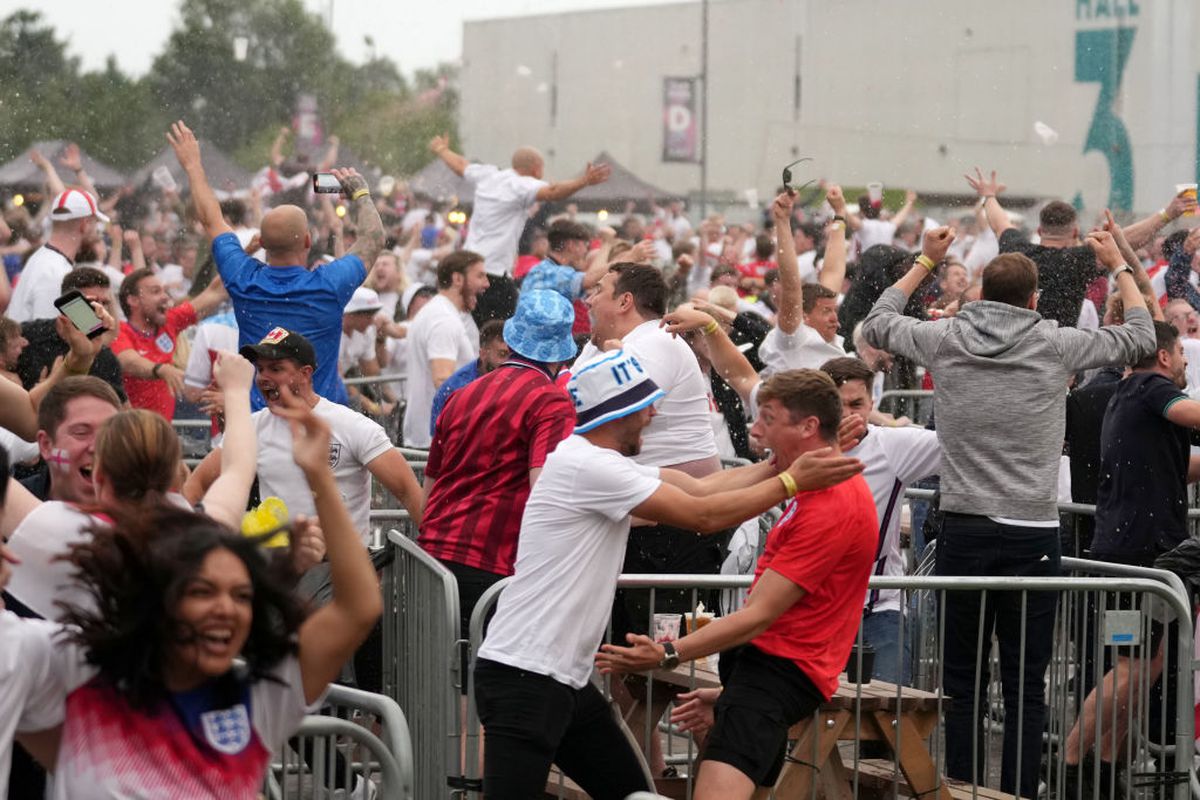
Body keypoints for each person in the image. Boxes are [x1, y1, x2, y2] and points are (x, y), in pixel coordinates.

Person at [474, 355, 865, 799]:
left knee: (638, 795)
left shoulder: (592, 461)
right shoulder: (590, 467)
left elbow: (699, 488)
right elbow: (703, 514)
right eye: (646, 404)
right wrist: (793, 481)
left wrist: (789, 465)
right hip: (525, 674)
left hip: (562, 680)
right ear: (617, 411)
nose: (654, 413)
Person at [861, 226, 1155, 798]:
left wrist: (926, 258)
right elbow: (1142, 335)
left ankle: (968, 790)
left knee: (963, 682)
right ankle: (1016, 794)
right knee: (1025, 685)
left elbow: (876, 322)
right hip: (1032, 533)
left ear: (978, 295)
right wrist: (1118, 262)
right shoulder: (1055, 341)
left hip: (965, 529)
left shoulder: (948, 337)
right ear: (1034, 299)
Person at [5, 388, 379, 798]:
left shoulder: (254, 703)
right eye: (203, 592)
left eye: (241, 596)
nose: (226, 609)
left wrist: (320, 479)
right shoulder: (76, 672)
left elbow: (358, 609)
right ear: (160, 592)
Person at [595, 368, 877, 800]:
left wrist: (669, 652)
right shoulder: (813, 487)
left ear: (808, 427)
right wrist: (730, 694)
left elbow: (758, 615)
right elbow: (702, 496)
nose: (755, 429)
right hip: (762, 678)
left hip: (774, 677)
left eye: (767, 418)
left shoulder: (830, 502)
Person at [419, 290, 576, 694]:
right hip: (492, 567)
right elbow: (546, 491)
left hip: (432, 558)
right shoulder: (551, 401)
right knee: (490, 696)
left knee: (434, 694)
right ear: (560, 353)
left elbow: (431, 482)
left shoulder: (463, 393)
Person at [168, 120, 385, 409]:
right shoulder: (330, 284)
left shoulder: (242, 278)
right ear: (308, 241)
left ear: (263, 244)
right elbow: (373, 238)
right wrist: (361, 194)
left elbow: (211, 221)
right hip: (320, 426)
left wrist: (193, 166)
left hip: (261, 422)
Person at [184, 328, 423, 542]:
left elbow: (408, 491)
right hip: (279, 570)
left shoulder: (352, 426)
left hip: (340, 572)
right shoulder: (251, 427)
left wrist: (441, 557)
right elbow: (196, 484)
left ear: (305, 374)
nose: (264, 377)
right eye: (260, 369)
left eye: (276, 369)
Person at [819, 356, 939, 684]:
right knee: (798, 724)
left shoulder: (890, 445)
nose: (845, 414)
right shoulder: (801, 447)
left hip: (877, 607)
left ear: (872, 403)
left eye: (856, 404)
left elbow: (967, 449)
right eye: (835, 404)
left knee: (890, 717)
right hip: (812, 610)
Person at [965, 168, 1194, 328]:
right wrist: (1167, 214)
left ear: (1041, 230)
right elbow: (1121, 243)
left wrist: (988, 196)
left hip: (1008, 349)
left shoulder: (1018, 252)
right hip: (1059, 356)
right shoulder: (1077, 260)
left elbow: (999, 223)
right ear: (1075, 232)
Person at [428, 134, 611, 322]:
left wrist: (442, 149)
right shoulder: (522, 184)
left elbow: (460, 165)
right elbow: (553, 192)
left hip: (469, 263)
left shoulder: (489, 175)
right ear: (536, 169)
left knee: (465, 323)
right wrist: (584, 181)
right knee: (498, 331)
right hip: (493, 273)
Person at [111, 267, 227, 420]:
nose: (165, 297)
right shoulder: (120, 332)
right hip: (130, 431)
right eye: (155, 291)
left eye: (164, 291)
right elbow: (128, 361)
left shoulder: (169, 322)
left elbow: (214, 293)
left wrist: (244, 256)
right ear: (132, 300)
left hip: (162, 431)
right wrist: (161, 369)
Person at [403, 250, 489, 448]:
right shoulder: (443, 319)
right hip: (438, 440)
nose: (487, 284)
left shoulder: (437, 312)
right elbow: (443, 382)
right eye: (480, 276)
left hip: (430, 436)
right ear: (457, 279)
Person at [758, 189, 849, 374]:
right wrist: (782, 221)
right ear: (804, 317)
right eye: (826, 312)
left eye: (833, 310)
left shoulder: (829, 338)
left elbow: (833, 270)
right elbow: (791, 288)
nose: (835, 319)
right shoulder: (794, 337)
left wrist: (840, 213)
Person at [15, 267, 126, 401]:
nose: (101, 310)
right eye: (92, 303)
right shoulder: (26, 336)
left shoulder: (105, 357)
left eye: (105, 303)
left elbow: (119, 411)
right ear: (68, 304)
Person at [6, 189, 109, 323]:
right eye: (96, 223)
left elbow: (90, 328)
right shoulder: (56, 272)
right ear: (85, 224)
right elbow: (88, 329)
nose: (98, 231)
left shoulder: (45, 259)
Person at [428, 319, 510, 436]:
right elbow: (439, 440)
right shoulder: (455, 390)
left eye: (512, 355)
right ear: (483, 354)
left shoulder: (516, 379)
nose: (509, 361)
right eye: (502, 354)